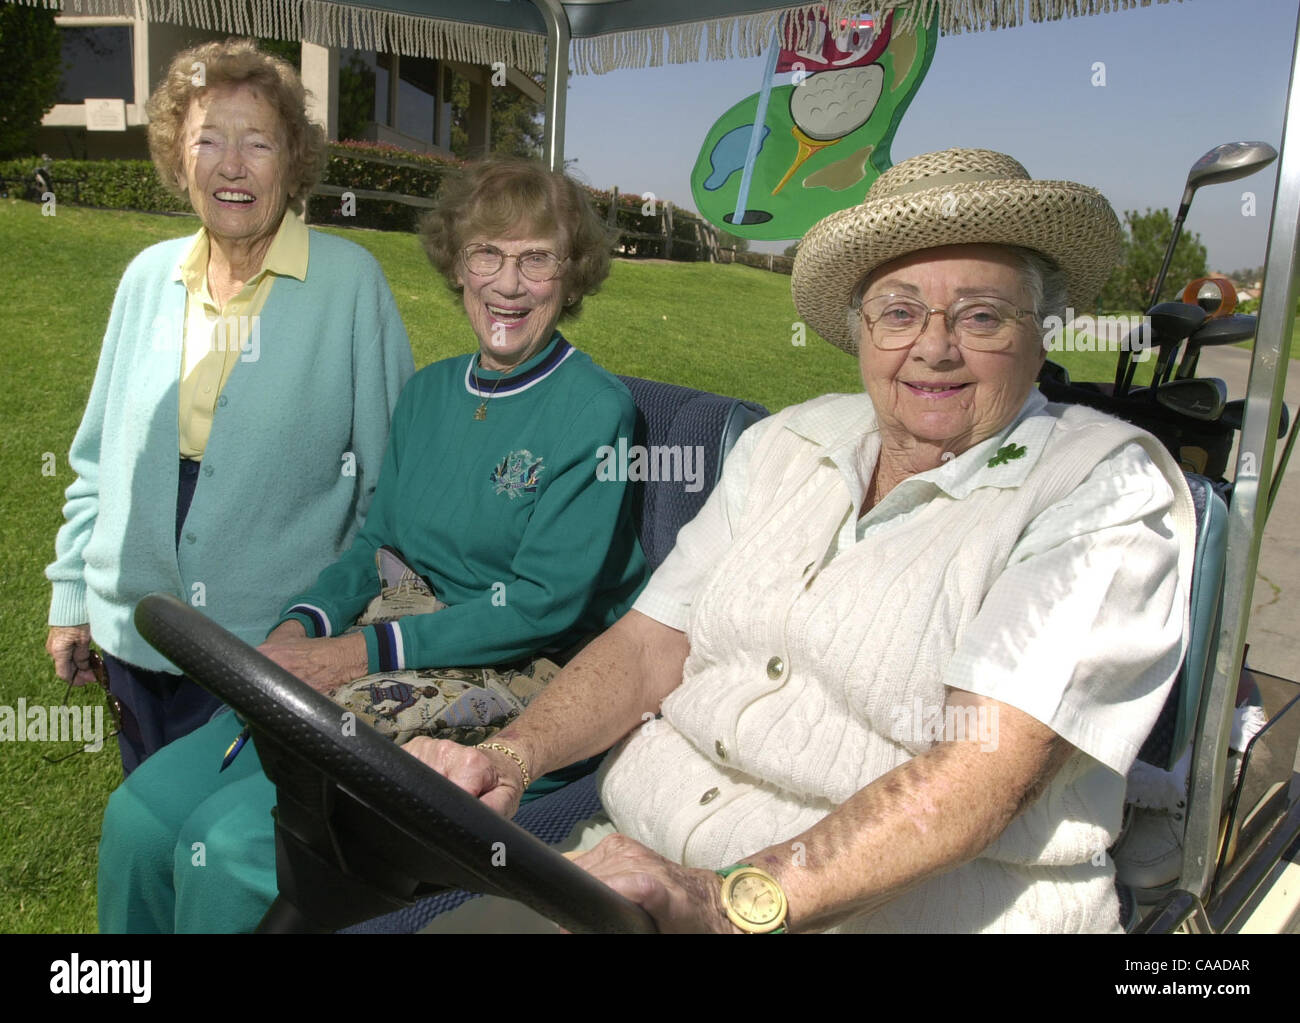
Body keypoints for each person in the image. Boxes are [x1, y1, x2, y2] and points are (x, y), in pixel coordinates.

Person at [408, 148, 1198, 933]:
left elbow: (982, 773)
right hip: (630, 867)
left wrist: (727, 899)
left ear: (1040, 332)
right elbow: (652, 642)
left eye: (982, 316)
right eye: (898, 311)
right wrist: (508, 757)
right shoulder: (789, 440)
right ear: (860, 328)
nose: (934, 346)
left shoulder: (1101, 487)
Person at [96, 155, 648, 933]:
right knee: (138, 820)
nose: (509, 283)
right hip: (396, 643)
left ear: (574, 273)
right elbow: (378, 541)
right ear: (457, 265)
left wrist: (363, 653)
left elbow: (543, 605)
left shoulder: (596, 410)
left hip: (520, 678)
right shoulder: (428, 393)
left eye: (537, 258)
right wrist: (302, 626)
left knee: (226, 850)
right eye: (487, 254)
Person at [44, 38, 413, 775]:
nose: (232, 166)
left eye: (258, 144)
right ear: (179, 159)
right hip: (136, 627)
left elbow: (391, 484)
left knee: (235, 846)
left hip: (271, 646)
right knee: (147, 822)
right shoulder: (148, 278)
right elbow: (97, 458)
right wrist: (72, 596)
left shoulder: (348, 284)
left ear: (294, 160)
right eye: (207, 141)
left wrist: (344, 630)